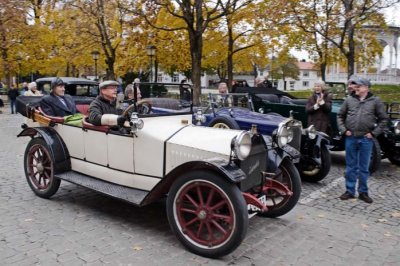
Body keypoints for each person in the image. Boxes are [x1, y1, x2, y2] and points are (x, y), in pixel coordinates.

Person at [337, 77, 388, 204]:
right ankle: (349, 191)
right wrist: (344, 130)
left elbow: (384, 119)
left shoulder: (375, 101)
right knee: (350, 167)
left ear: (366, 87)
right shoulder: (349, 100)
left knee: (364, 168)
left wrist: (374, 133)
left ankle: (363, 192)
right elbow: (340, 116)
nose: (356, 88)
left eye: (359, 86)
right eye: (355, 86)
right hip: (351, 137)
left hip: (366, 139)